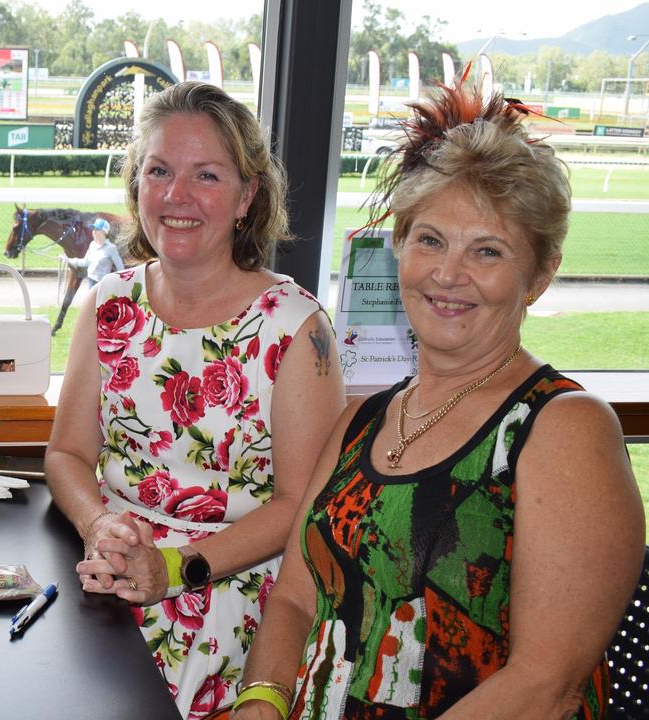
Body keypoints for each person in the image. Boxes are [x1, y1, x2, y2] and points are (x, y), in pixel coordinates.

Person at [230, 83, 644, 720]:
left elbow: (545, 687)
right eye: (430, 240)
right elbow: (293, 601)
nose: (448, 275)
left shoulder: (565, 429)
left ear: (540, 274)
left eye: (487, 251)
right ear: (398, 247)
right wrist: (261, 701)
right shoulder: (362, 419)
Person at [45, 80, 346, 718]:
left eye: (206, 175)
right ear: (136, 186)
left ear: (248, 197)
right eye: (159, 171)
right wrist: (101, 525)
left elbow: (301, 506)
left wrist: (177, 567)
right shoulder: (108, 304)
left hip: (235, 598)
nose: (177, 196)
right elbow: (68, 454)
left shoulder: (295, 327)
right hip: (111, 580)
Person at [66, 217, 125, 288]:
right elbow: (86, 262)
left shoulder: (111, 248)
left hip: (103, 284)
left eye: (97, 229)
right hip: (91, 282)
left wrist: (119, 282)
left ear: (104, 232)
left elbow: (120, 267)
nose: (94, 232)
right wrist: (68, 260)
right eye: (93, 229)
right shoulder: (92, 245)